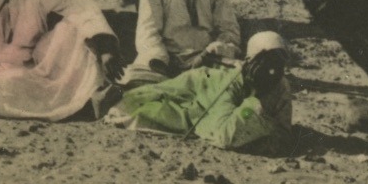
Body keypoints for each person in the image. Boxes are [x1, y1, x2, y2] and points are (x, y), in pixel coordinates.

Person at [107, 31, 295, 152]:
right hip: (199, 82)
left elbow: (284, 136)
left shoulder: (281, 85)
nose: (271, 68)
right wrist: (254, 102)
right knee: (129, 105)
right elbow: (226, 136)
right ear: (249, 61)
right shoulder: (231, 84)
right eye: (263, 61)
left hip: (208, 91)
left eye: (277, 61)